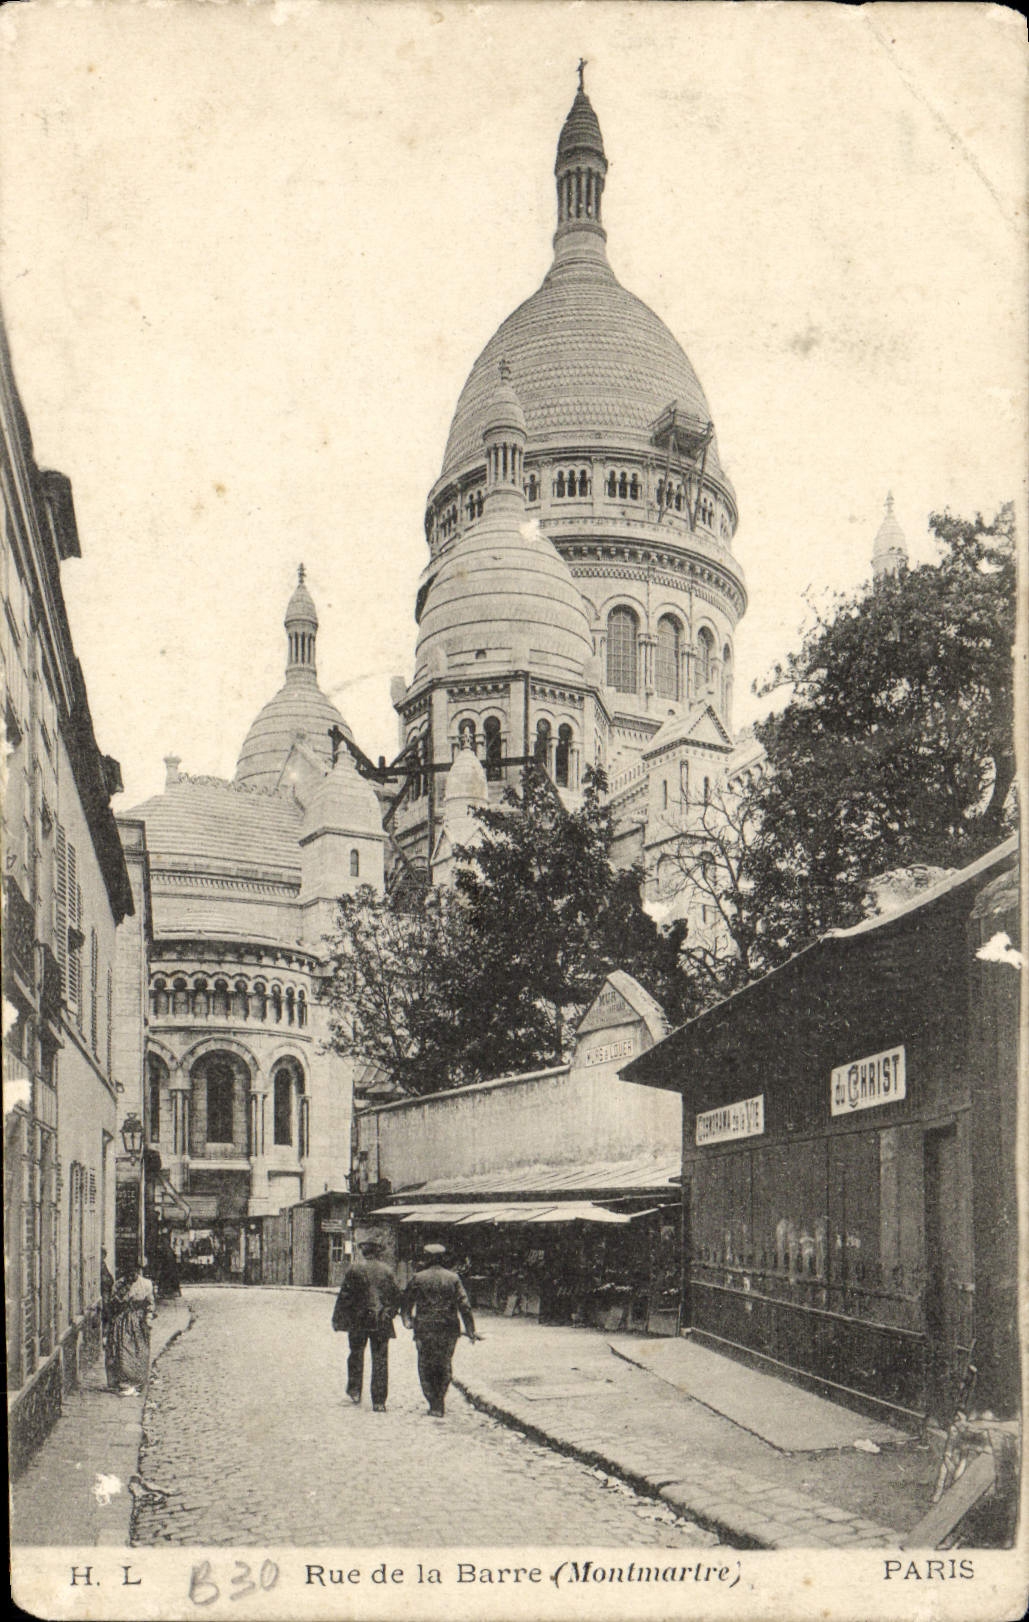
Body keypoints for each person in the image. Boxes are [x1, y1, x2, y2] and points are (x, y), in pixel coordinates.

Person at [402, 1242, 481, 1418]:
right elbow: (465, 1306)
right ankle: (440, 1399)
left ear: (426, 1259)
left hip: (424, 1329)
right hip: (448, 1329)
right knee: (444, 1364)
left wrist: (407, 1320)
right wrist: (470, 1330)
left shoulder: (418, 1278)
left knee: (425, 1365)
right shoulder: (453, 1278)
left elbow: (406, 1303)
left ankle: (433, 1402)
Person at [331, 1237, 402, 1412]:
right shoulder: (388, 1271)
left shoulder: (354, 1269)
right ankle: (379, 1401)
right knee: (380, 1359)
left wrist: (338, 1319)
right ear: (378, 1253)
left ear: (364, 1252)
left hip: (358, 1320)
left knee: (355, 1354)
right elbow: (397, 1297)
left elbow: (344, 1297)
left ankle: (355, 1390)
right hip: (381, 1321)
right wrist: (390, 1313)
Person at [105, 1264, 156, 1395]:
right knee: (121, 1350)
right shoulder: (119, 1284)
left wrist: (148, 1319)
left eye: (134, 1273)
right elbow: (112, 1304)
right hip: (121, 1321)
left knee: (139, 1351)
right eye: (128, 1273)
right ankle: (123, 1382)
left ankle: (137, 1381)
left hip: (138, 1321)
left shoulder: (146, 1284)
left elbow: (150, 1304)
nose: (131, 1276)